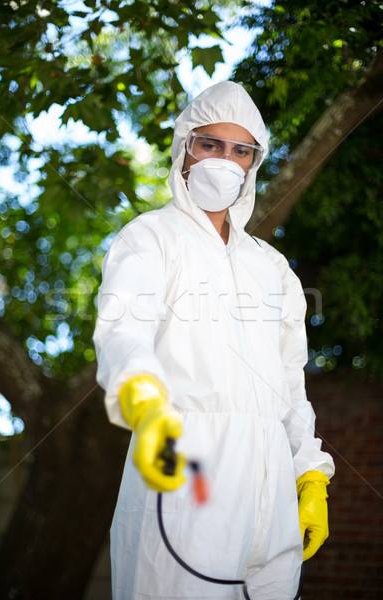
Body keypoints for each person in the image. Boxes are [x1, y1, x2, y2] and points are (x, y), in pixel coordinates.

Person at [93, 81, 335, 600]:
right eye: (211, 145)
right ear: (185, 149)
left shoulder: (270, 266)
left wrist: (309, 475)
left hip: (272, 498)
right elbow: (123, 331)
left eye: (240, 150)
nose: (225, 161)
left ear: (253, 164)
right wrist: (143, 399)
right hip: (187, 476)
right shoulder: (150, 238)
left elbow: (290, 383)